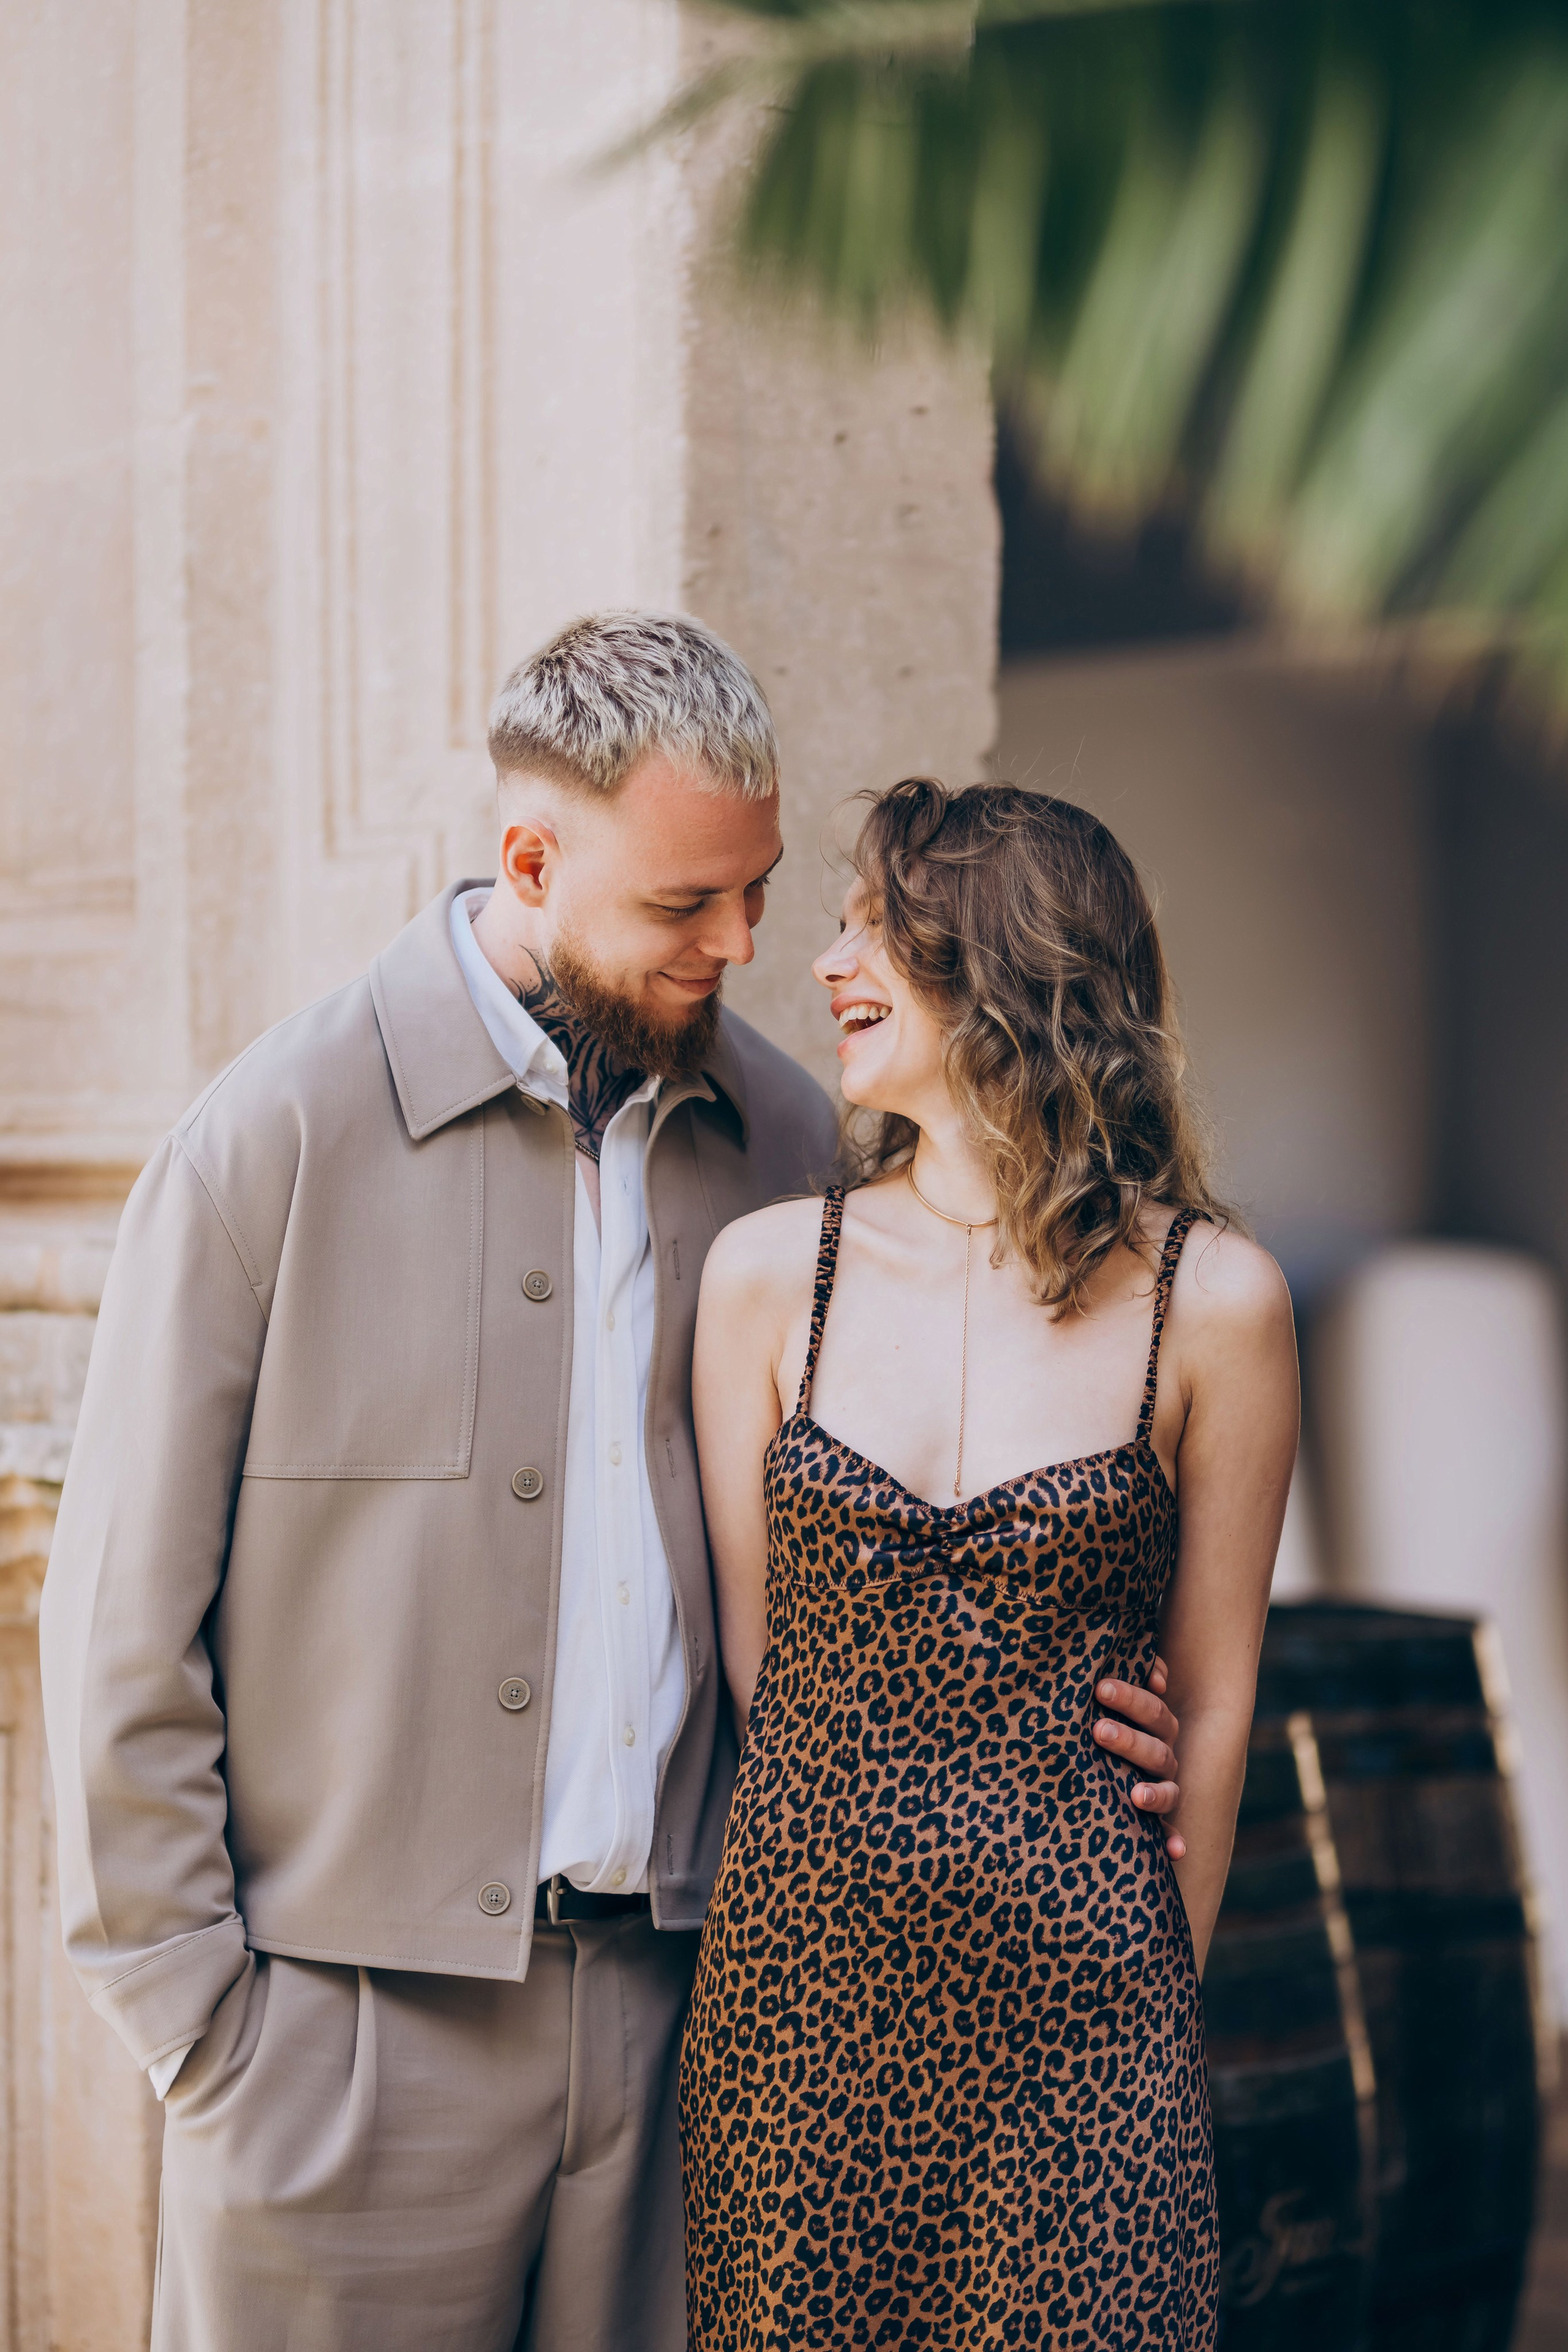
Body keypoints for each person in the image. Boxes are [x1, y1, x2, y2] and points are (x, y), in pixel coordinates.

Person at [38, 620, 1185, 2351]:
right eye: (682, 910)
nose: (741, 948)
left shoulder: (803, 1149)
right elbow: (117, 1627)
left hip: (688, 2035)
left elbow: (929, 1498)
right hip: (343, 2062)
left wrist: (1078, 1704)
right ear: (531, 860)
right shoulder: (266, 1143)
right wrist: (208, 2035)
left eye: (758, 892)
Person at [682, 778, 1300, 2350]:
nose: (821, 960)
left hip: (1087, 2029)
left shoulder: (1212, 1302)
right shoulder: (767, 1277)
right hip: (800, 2015)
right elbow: (768, 1674)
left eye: (871, 926)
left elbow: (1215, 1705)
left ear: (1006, 968)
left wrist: (1139, 2015)